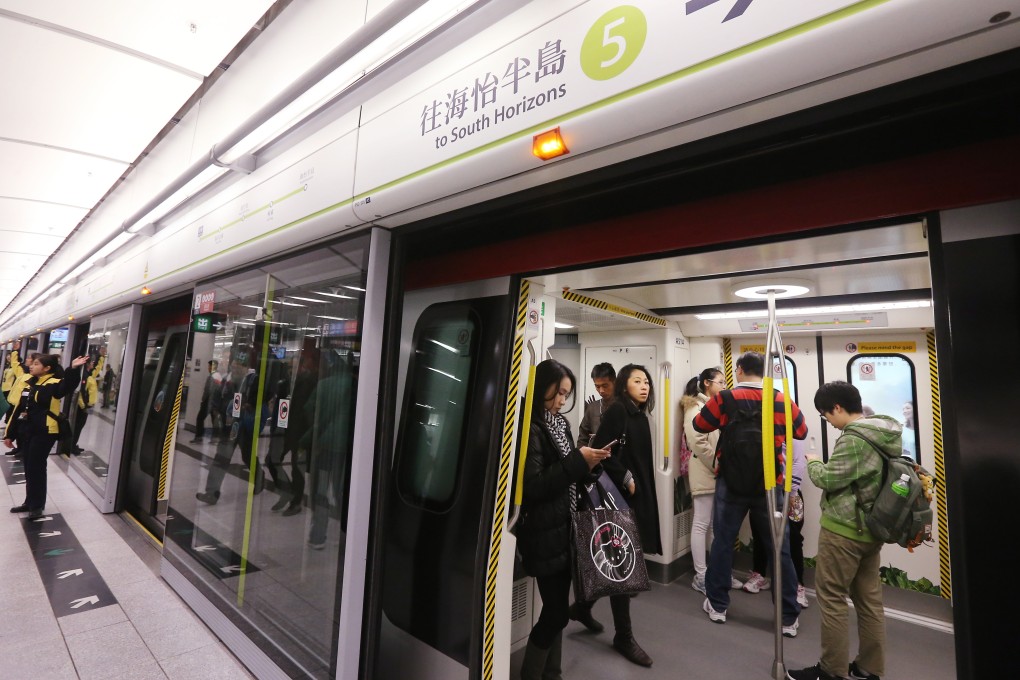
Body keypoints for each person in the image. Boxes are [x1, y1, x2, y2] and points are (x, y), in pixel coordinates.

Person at [787, 381, 896, 680]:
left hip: (845, 530)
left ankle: (831, 671)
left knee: (832, 596)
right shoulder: (883, 431)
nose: (829, 423)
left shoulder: (854, 439)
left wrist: (813, 462)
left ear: (837, 408)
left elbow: (829, 479)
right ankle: (869, 668)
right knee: (870, 601)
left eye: (826, 415)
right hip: (871, 529)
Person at [693, 351, 806, 637]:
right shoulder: (780, 399)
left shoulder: (725, 398)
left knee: (722, 541)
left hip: (730, 482)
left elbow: (699, 425)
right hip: (771, 483)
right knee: (779, 549)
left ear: (740, 370)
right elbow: (802, 431)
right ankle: (788, 618)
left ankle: (718, 606)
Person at [517, 359, 610, 680]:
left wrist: (589, 464)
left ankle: (551, 674)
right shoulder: (530, 428)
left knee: (554, 611)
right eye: (557, 393)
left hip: (566, 527)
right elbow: (533, 486)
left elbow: (567, 476)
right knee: (556, 614)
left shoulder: (559, 424)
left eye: (566, 395)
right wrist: (576, 462)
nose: (560, 402)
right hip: (544, 530)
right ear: (542, 387)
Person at [572, 363, 659, 667]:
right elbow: (598, 450)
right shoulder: (619, 411)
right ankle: (624, 635)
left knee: (619, 560)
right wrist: (626, 478)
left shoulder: (639, 414)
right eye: (637, 381)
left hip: (631, 495)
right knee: (622, 566)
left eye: (646, 381)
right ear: (625, 385)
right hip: (616, 496)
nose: (644, 385)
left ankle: (583, 607)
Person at [680, 368, 745, 595]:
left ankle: (720, 572)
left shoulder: (716, 407)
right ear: (707, 384)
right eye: (720, 382)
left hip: (717, 472)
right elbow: (697, 441)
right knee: (701, 523)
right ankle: (701, 574)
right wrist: (717, 465)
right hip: (706, 471)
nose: (724, 386)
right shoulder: (695, 408)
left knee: (719, 527)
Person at [5, 353, 88, 517]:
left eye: (36, 364)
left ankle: (36, 505)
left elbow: (68, 386)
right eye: (33, 363)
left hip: (45, 431)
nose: (32, 366)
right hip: (28, 430)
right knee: (29, 466)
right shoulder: (29, 384)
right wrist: (10, 434)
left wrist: (73, 368)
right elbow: (18, 410)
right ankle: (29, 502)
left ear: (47, 368)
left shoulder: (54, 384)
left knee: (36, 466)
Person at [578, 362, 615, 446]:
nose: (601, 390)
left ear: (614, 382)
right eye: (597, 386)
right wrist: (583, 457)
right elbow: (583, 438)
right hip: (595, 457)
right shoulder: (592, 407)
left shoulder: (625, 406)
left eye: (605, 386)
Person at [70, 355, 99, 455]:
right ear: (87, 364)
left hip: (86, 406)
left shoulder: (88, 374)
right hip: (82, 407)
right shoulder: (84, 376)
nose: (93, 364)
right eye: (91, 363)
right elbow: (80, 392)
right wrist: (84, 406)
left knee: (79, 427)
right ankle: (72, 446)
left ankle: (74, 444)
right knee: (77, 427)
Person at [190, 360, 221, 443]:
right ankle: (215, 438)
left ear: (213, 367)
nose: (208, 368)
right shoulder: (218, 376)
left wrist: (203, 400)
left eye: (209, 366)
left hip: (209, 401)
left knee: (200, 418)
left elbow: (208, 390)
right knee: (214, 420)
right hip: (215, 402)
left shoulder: (212, 377)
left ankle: (199, 437)